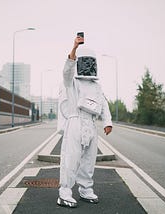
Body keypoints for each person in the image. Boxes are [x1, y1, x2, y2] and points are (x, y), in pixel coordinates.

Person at [57, 35, 113, 208]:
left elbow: (103, 102)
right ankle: (64, 193)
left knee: (89, 160)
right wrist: (74, 47)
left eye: (91, 62)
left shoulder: (97, 85)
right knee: (71, 159)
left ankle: (85, 190)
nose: (88, 65)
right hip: (75, 121)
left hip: (91, 123)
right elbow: (67, 71)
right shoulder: (71, 81)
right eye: (85, 61)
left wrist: (107, 122)